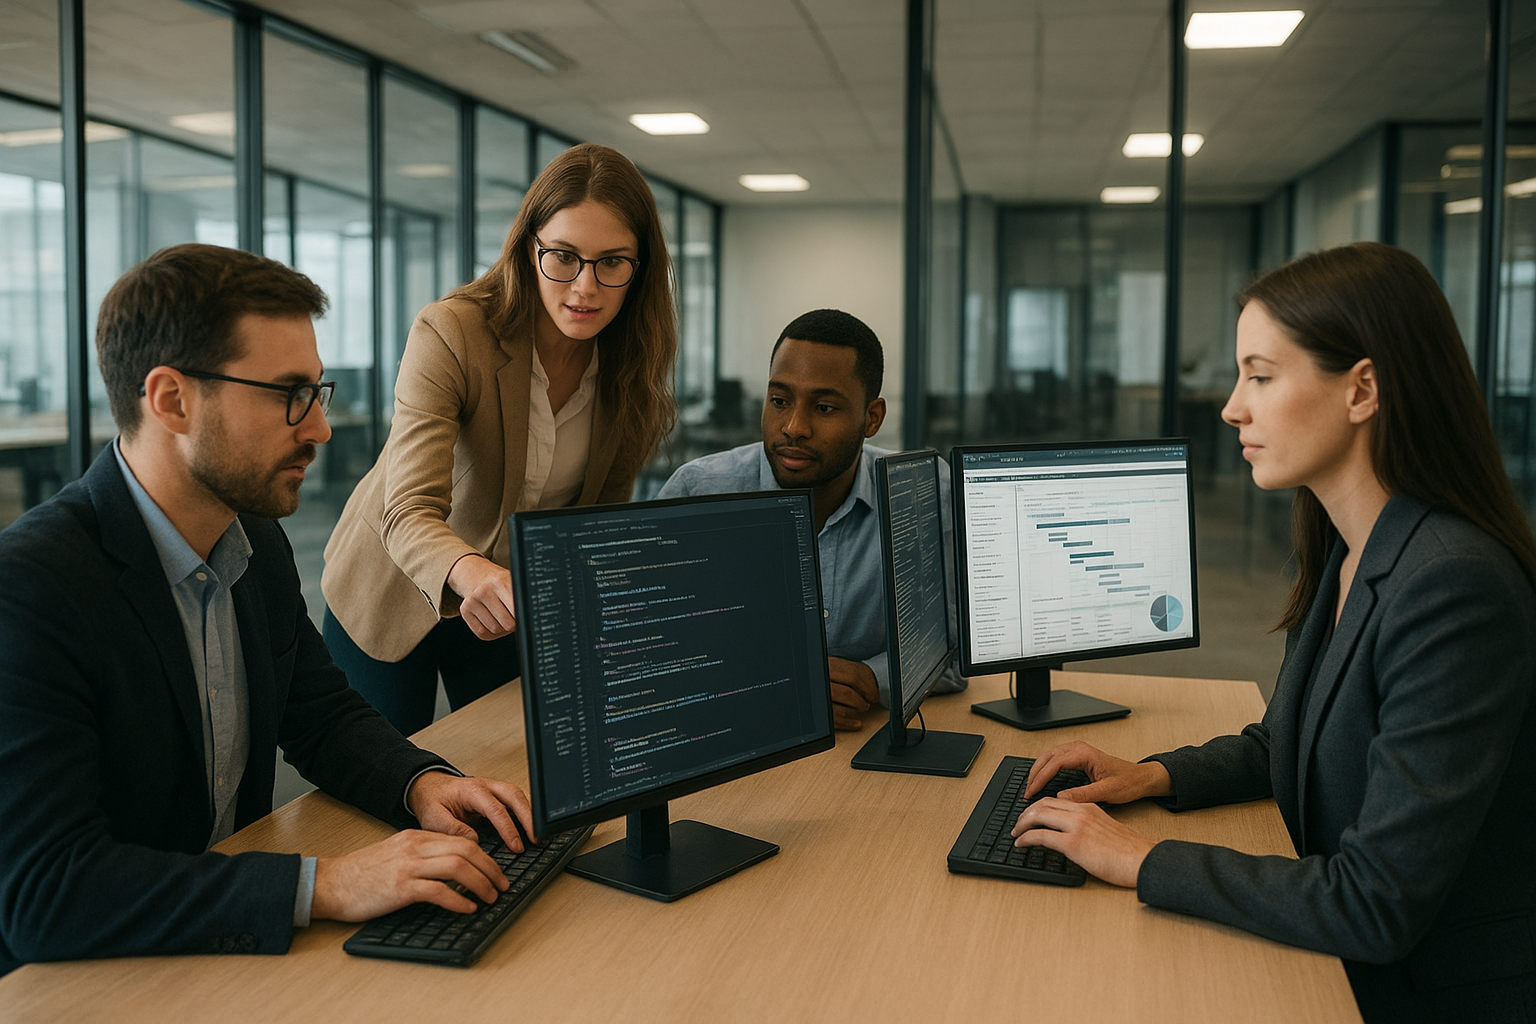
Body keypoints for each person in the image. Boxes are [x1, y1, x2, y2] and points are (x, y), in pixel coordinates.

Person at [1008, 242, 1536, 1023]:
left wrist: (1140, 858)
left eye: (1260, 374)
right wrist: (1151, 777)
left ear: (1363, 390)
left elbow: (1375, 902)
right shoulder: (1356, 548)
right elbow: (1289, 742)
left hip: (1428, 993)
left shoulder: (1454, 585)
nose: (1232, 406)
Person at [0, 244, 542, 976]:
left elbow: (319, 715)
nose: (319, 429)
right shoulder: (32, 587)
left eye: (319, 392)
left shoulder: (251, 536)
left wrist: (423, 783)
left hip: (219, 954)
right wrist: (328, 883)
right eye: (290, 394)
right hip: (92, 978)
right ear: (171, 400)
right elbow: (48, 893)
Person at [321, 143, 677, 735]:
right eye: (563, 256)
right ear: (528, 248)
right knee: (378, 779)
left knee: (522, 762)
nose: (584, 287)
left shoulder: (632, 372)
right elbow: (406, 509)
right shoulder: (454, 331)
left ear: (640, 269)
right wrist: (469, 569)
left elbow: (595, 526)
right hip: (390, 584)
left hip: (508, 606)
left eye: (612, 262)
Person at [657, 308, 965, 731]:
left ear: (872, 417)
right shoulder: (699, 493)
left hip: (864, 744)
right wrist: (772, 685)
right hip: (736, 739)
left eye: (823, 407)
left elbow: (954, 643)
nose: (794, 427)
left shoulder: (923, 493)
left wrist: (873, 681)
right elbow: (647, 648)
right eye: (779, 401)